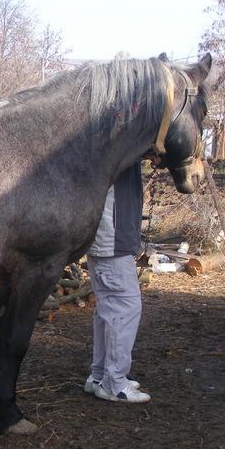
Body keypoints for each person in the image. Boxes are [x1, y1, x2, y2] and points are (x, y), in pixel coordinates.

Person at [83, 160, 151, 403]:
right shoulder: (121, 134)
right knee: (125, 307)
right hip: (111, 241)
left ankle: (100, 376)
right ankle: (114, 384)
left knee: (108, 310)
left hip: (109, 240)